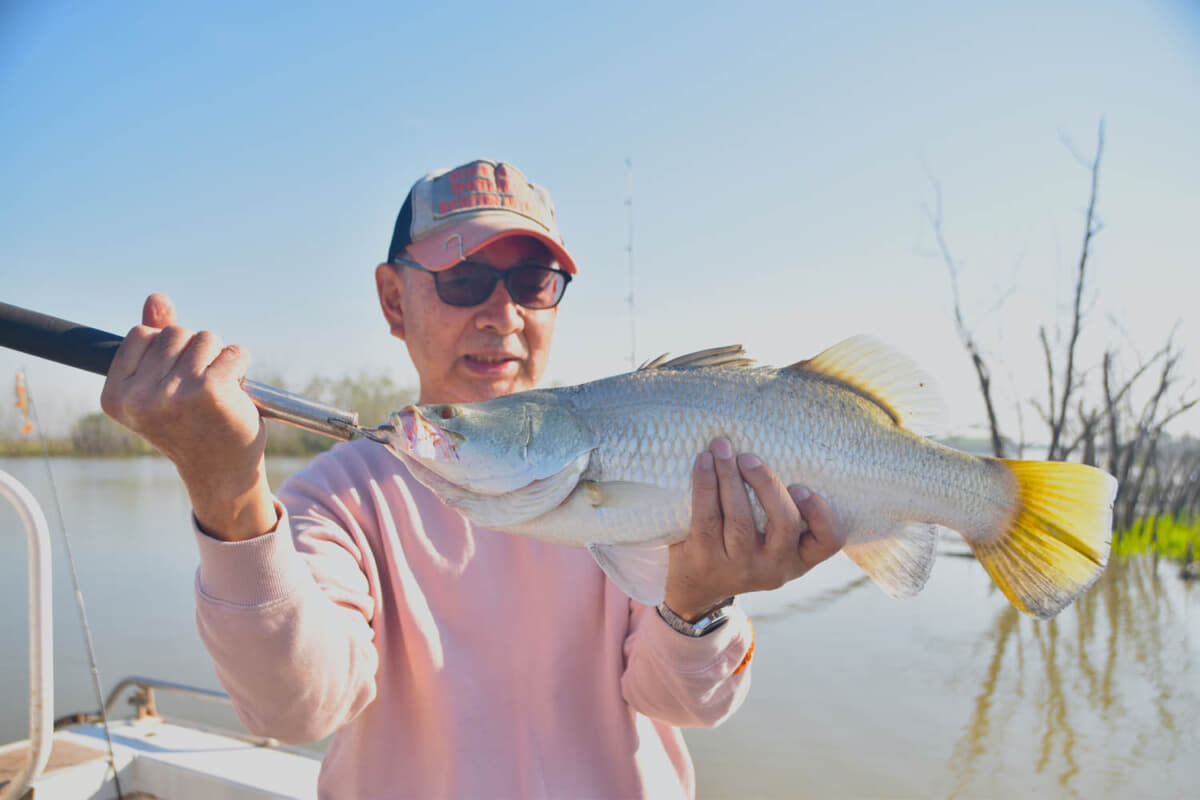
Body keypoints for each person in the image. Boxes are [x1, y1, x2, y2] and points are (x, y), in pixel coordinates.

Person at [101, 159, 845, 799]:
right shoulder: (333, 499)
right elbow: (295, 709)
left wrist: (697, 606)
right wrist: (227, 495)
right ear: (394, 301)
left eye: (532, 281)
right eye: (464, 280)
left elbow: (683, 703)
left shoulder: (633, 445)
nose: (503, 314)